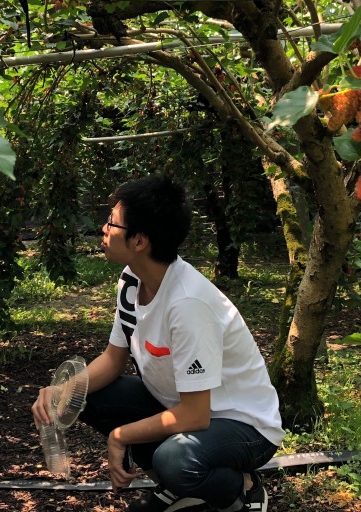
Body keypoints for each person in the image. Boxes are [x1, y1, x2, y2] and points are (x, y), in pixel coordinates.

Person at [32, 176, 284, 512]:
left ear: (139, 241)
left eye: (112, 222)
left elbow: (196, 415)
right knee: (86, 397)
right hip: (183, 407)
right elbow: (112, 359)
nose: (103, 229)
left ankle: (242, 488)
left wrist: (120, 436)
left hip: (242, 424)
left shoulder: (187, 304)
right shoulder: (131, 281)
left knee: (176, 459)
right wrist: (62, 391)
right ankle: (179, 487)